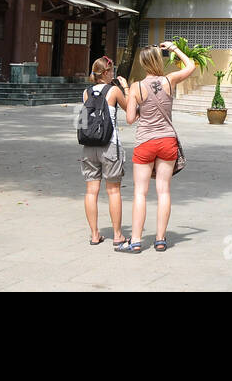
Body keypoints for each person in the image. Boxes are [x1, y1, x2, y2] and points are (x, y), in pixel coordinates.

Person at [120, 41, 195, 253]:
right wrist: (174, 49)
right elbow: (190, 67)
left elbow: (130, 119)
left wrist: (128, 92)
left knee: (140, 193)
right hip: (167, 141)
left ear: (143, 63)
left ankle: (135, 241)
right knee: (164, 191)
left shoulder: (136, 87)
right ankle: (160, 239)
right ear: (158, 60)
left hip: (145, 141)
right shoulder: (169, 80)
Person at [82, 56, 129, 246]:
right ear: (107, 72)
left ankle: (94, 235)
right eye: (112, 71)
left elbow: (83, 120)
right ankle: (117, 235)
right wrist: (125, 87)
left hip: (89, 146)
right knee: (113, 191)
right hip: (110, 145)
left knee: (91, 192)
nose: (114, 74)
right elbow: (130, 109)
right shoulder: (114, 90)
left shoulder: (86, 92)